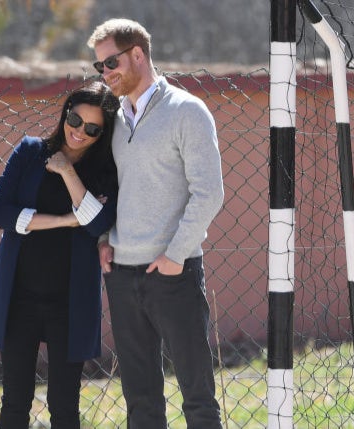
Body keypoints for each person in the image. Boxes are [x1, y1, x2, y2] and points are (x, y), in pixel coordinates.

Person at [87, 18, 224, 429]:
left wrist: (175, 255)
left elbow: (209, 193)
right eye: (99, 67)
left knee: (197, 398)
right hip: (122, 275)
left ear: (138, 55)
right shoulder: (113, 119)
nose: (106, 73)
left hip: (173, 273)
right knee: (141, 402)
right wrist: (105, 239)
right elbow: (113, 187)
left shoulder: (187, 111)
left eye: (111, 63)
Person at [0, 81, 120, 429]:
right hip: (18, 297)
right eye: (75, 119)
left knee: (64, 407)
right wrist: (65, 219)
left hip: (70, 302)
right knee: (14, 402)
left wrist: (67, 171)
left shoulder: (104, 171)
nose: (79, 131)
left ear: (103, 133)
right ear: (65, 113)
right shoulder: (30, 152)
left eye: (92, 128)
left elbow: (97, 221)